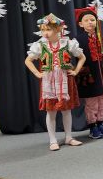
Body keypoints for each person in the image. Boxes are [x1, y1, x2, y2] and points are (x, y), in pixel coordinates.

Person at [25, 13, 85, 151]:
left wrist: (76, 71)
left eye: (48, 29)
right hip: (49, 83)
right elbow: (28, 60)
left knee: (66, 110)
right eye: (43, 30)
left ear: (58, 29)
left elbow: (82, 57)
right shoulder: (40, 45)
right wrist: (37, 73)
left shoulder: (67, 43)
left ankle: (68, 137)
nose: (45, 33)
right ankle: (52, 140)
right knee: (51, 112)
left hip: (65, 81)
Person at [74, 6, 103, 139]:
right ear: (81, 24)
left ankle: (100, 123)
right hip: (88, 76)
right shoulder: (77, 40)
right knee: (91, 103)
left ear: (96, 22)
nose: (90, 22)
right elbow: (72, 55)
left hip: (100, 75)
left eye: (92, 19)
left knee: (102, 100)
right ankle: (92, 126)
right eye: (86, 20)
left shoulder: (101, 38)